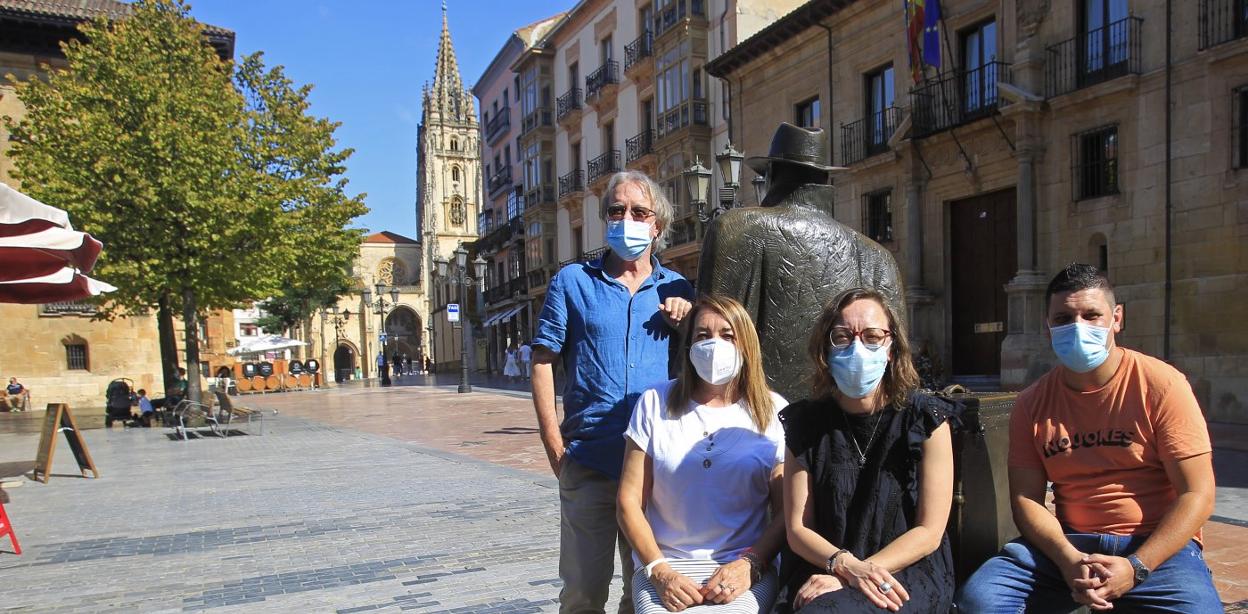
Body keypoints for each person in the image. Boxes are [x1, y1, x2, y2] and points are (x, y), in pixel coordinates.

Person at [956, 264, 1219, 613]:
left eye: (1092, 315)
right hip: (1068, 544)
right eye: (1063, 318)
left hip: (1157, 549)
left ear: (1117, 318)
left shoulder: (1161, 385)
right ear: (1047, 327)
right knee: (980, 599)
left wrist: (1137, 566)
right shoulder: (1032, 403)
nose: (1077, 327)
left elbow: (1197, 494)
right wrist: (1067, 559)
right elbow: (1026, 500)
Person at [532, 169, 695, 614]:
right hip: (589, 460)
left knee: (643, 591)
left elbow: (707, 363)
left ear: (656, 224)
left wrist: (690, 321)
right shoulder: (572, 282)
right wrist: (554, 444)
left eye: (639, 211)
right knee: (583, 592)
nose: (627, 218)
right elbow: (543, 361)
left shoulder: (677, 289)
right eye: (617, 210)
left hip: (656, 469)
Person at [774, 288, 958, 613]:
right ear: (826, 348)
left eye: (872, 336)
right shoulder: (806, 423)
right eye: (843, 336)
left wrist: (860, 573)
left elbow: (929, 531)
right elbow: (798, 528)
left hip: (905, 569)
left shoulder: (925, 418)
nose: (858, 348)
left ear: (891, 349)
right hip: (827, 564)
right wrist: (844, 567)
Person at [697, 123, 906, 402]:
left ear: (770, 175)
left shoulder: (734, 228)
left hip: (754, 427)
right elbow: (898, 365)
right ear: (825, 180)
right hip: (841, 427)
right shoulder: (877, 257)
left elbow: (708, 343)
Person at [618, 295, 788, 613]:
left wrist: (751, 562)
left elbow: (785, 513)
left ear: (747, 346)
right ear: (688, 345)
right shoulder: (655, 402)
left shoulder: (773, 410)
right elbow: (629, 502)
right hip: (664, 566)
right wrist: (659, 570)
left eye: (727, 335)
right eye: (702, 335)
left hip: (742, 566)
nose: (714, 344)